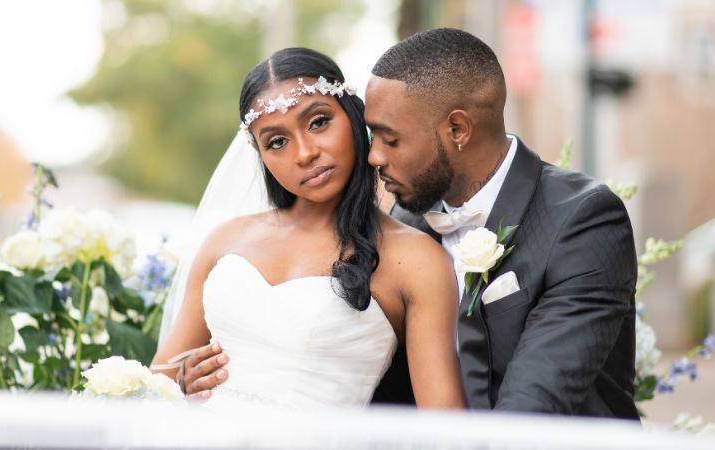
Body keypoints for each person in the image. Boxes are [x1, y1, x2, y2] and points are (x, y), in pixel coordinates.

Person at [152, 47, 465, 410]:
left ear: (352, 116)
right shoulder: (225, 240)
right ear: (261, 155)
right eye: (277, 142)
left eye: (318, 122)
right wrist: (181, 382)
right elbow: (155, 382)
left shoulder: (415, 259)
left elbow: (444, 423)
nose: (304, 154)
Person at [363, 28, 639, 418]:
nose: (374, 156)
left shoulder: (583, 220)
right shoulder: (408, 222)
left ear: (457, 130)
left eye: (390, 140)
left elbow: (535, 406)